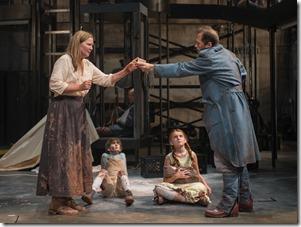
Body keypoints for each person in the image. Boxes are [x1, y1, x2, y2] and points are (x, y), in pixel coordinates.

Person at [136, 25, 260, 218]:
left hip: (224, 109)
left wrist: (153, 67)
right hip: (238, 107)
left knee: (226, 157)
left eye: (198, 43)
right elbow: (243, 75)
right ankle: (244, 199)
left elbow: (182, 68)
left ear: (208, 44)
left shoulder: (209, 56)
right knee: (238, 156)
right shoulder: (229, 54)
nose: (196, 46)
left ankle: (228, 205)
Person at [36, 30, 138, 215]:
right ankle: (56, 203)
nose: (92, 47)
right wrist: (78, 86)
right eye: (89, 44)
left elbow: (106, 80)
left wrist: (126, 70)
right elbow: (54, 84)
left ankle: (68, 197)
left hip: (77, 110)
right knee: (63, 153)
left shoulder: (87, 65)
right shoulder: (64, 60)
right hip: (62, 110)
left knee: (75, 154)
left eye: (92, 44)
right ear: (78, 43)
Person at [153, 128, 211, 206]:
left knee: (201, 187)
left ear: (185, 140)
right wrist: (176, 176)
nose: (178, 138)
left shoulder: (192, 155)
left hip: (191, 186)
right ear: (171, 142)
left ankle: (170, 198)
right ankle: (190, 200)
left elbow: (198, 174)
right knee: (159, 188)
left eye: (181, 136)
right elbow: (165, 181)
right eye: (175, 137)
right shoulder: (169, 157)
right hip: (176, 187)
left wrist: (206, 186)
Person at [81, 138, 134, 206]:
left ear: (120, 148)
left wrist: (124, 180)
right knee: (103, 172)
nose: (116, 144)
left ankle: (129, 194)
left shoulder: (122, 155)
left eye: (118, 143)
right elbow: (103, 169)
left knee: (122, 172)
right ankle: (91, 194)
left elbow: (125, 170)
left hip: (120, 187)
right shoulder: (105, 156)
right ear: (108, 148)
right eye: (113, 143)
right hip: (109, 185)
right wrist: (102, 184)